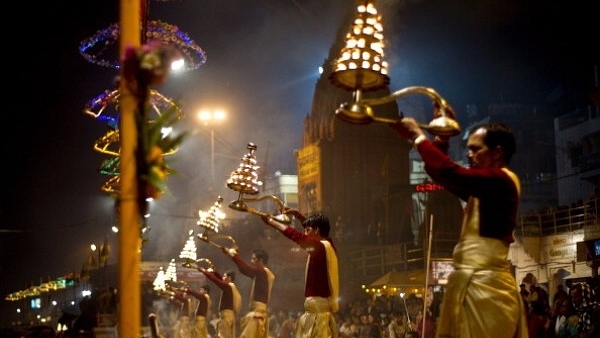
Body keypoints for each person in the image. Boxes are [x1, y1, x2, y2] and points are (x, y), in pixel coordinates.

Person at [390, 116, 528, 338]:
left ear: (497, 153)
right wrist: (441, 140)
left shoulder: (502, 181)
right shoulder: (486, 187)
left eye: (475, 149)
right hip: (475, 285)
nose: (469, 154)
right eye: (468, 149)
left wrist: (418, 136)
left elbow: (451, 173)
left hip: (487, 289)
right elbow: (444, 174)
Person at [259, 211, 339, 338]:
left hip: (317, 314)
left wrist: (272, 222)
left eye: (307, 230)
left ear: (317, 230)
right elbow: (309, 231)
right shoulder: (328, 246)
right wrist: (297, 215)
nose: (305, 233)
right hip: (317, 310)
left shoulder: (320, 248)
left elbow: (296, 236)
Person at [223, 247, 275, 338]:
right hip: (260, 311)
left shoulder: (262, 272)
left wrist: (233, 255)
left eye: (254, 259)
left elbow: (245, 269)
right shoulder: (266, 273)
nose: (251, 261)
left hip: (257, 313)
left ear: (261, 260)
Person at [197, 267, 241, 338]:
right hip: (227, 317)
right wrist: (214, 272)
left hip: (226, 318)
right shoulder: (231, 287)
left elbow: (216, 281)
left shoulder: (228, 286)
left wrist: (205, 272)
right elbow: (220, 279)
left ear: (229, 278)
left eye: (224, 276)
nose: (222, 278)